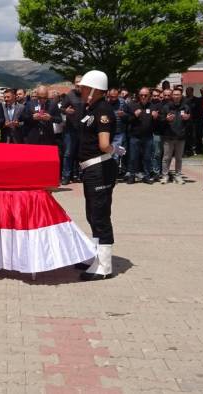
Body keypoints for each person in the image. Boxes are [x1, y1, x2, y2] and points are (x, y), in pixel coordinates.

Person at [75, 70, 125, 281]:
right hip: (91, 169)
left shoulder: (102, 110)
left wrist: (115, 150)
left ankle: (104, 266)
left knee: (100, 215)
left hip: (100, 169)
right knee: (92, 214)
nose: (81, 89)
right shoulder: (91, 108)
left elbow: (104, 145)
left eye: (85, 87)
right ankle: (95, 254)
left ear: (95, 89)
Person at [159, 88, 191, 184]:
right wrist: (166, 119)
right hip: (168, 137)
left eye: (178, 95)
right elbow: (160, 121)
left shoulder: (186, 107)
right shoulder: (166, 107)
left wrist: (187, 119)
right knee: (166, 158)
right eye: (175, 95)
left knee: (179, 158)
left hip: (181, 137)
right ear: (172, 96)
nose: (176, 96)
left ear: (181, 96)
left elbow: (190, 123)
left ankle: (178, 175)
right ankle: (165, 175)